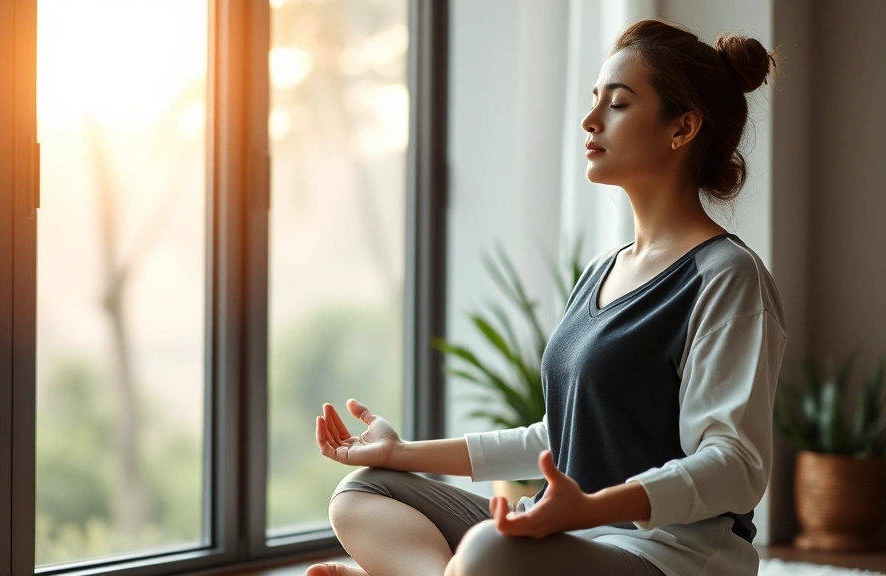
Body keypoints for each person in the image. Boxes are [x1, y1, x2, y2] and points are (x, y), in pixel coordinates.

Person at [306, 18, 786, 576]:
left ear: (682, 129)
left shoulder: (727, 276)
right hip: (562, 533)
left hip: (664, 556)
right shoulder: (602, 273)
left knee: (487, 552)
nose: (589, 120)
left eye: (619, 104)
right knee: (364, 492)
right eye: (593, 100)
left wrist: (594, 507)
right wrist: (400, 453)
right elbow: (557, 435)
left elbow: (735, 466)